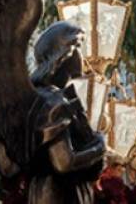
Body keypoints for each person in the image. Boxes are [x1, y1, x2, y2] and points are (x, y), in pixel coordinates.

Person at [27, 21, 106, 203]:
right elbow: (64, 161)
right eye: (78, 47)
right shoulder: (53, 101)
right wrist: (99, 147)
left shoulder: (46, 97)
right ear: (64, 54)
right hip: (58, 194)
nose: (82, 57)